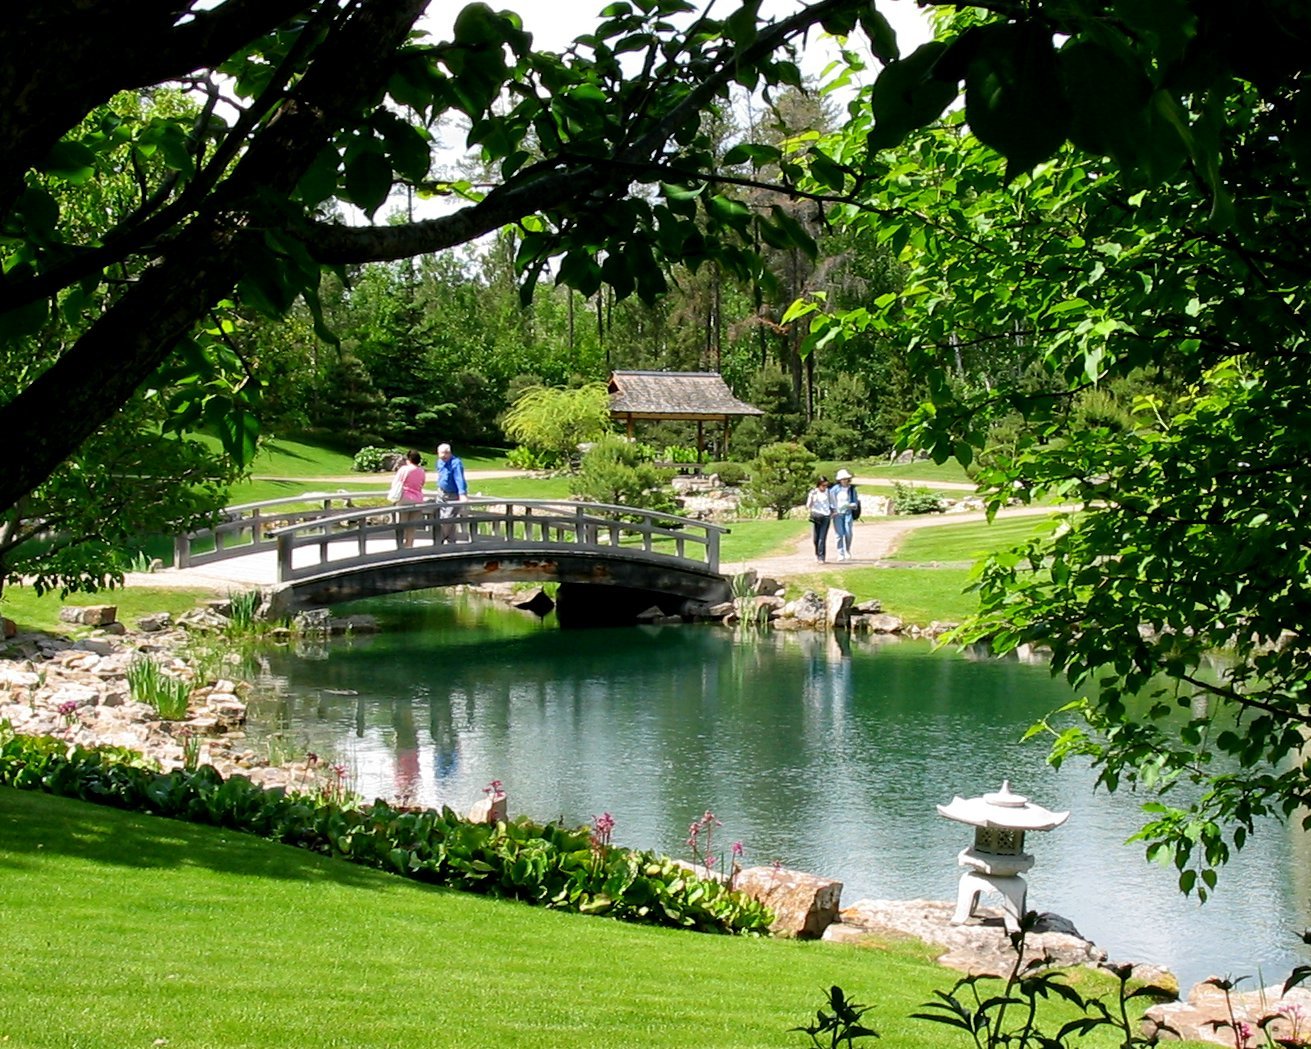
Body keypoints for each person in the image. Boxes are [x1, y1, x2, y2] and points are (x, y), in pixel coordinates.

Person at [434, 442, 468, 543]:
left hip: (453, 494)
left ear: (450, 453)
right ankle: (451, 541)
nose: (444, 456)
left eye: (446, 453)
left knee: (447, 519)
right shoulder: (439, 462)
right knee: (446, 519)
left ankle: (439, 540)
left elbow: (459, 478)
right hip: (441, 493)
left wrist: (462, 494)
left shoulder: (456, 463)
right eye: (441, 453)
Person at [393, 450, 426, 548]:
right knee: (412, 526)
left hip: (405, 498)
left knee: (401, 524)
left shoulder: (404, 469)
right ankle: (409, 546)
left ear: (409, 459)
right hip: (418, 499)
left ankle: (400, 546)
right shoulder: (421, 471)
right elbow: (422, 484)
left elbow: (396, 483)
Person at [830, 467, 859, 561]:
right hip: (837, 514)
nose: (844, 481)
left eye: (845, 479)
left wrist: (851, 505)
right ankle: (840, 553)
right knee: (839, 534)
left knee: (848, 533)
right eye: (842, 479)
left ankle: (847, 550)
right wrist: (833, 510)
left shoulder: (851, 490)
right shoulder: (834, 489)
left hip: (848, 513)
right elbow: (831, 501)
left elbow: (855, 502)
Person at [806, 476, 834, 563]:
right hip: (816, 515)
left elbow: (833, 504)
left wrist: (833, 512)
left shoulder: (829, 493)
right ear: (818, 485)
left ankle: (821, 557)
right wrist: (812, 498)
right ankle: (817, 554)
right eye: (823, 485)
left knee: (822, 537)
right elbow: (808, 505)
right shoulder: (813, 492)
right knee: (815, 538)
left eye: (826, 485)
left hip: (826, 516)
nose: (824, 487)